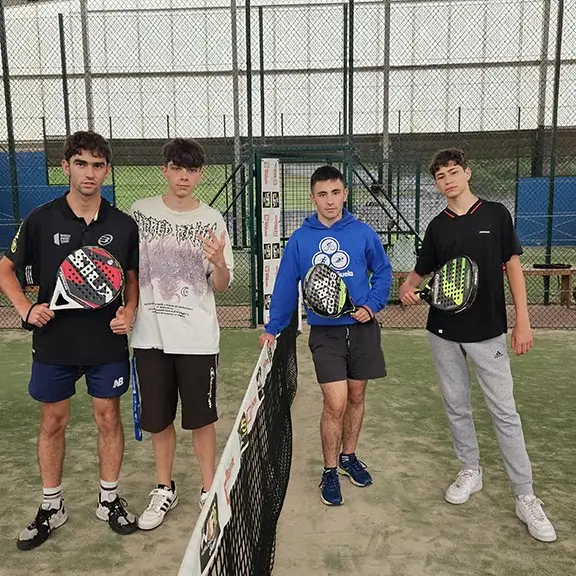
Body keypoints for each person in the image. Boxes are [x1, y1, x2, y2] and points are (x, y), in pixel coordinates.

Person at [399, 148, 556, 543]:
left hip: (489, 332)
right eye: (440, 176)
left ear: (467, 173)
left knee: (505, 411)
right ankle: (471, 470)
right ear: (436, 184)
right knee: (456, 405)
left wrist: (523, 319)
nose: (448, 180)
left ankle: (526, 496)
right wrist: (407, 288)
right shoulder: (437, 227)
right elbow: (421, 273)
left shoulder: (496, 214)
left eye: (454, 172)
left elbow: (513, 267)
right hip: (443, 334)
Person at [0, 131, 140, 551]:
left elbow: (131, 280)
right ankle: (51, 506)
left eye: (98, 165)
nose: (90, 173)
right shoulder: (40, 219)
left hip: (106, 344)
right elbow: (5, 269)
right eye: (81, 163)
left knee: (108, 419)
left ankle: (109, 499)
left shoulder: (122, 224)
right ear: (66, 167)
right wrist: (25, 309)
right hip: (55, 344)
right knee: (52, 422)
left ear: (107, 171)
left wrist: (130, 310)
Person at [259, 165, 392, 506]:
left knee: (357, 398)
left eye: (335, 192)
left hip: (363, 329)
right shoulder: (301, 240)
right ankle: (330, 470)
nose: (330, 200)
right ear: (312, 197)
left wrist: (372, 305)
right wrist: (273, 327)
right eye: (322, 194)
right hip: (325, 335)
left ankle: (349, 457)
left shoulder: (363, 233)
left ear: (345, 193)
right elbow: (287, 286)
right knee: (336, 402)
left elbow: (383, 271)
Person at [129, 138, 234, 530]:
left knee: (201, 419)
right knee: (158, 420)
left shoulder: (212, 220)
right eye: (177, 168)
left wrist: (219, 262)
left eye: (191, 170)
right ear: (166, 170)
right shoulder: (140, 212)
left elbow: (221, 284)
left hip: (197, 339)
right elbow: (130, 272)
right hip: (149, 337)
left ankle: (208, 490)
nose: (184, 177)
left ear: (200, 175)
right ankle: (163, 488)